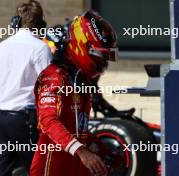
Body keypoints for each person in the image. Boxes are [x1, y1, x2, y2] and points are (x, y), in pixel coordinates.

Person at [30, 10, 118, 176]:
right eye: (101, 55)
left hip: (75, 167)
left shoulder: (80, 79)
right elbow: (47, 121)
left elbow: (77, 129)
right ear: (82, 46)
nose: (103, 61)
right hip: (51, 168)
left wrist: (104, 152)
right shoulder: (54, 76)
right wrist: (82, 152)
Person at [0, 1, 51, 175]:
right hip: (25, 119)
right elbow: (48, 87)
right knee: (38, 169)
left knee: (0, 171)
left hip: (1, 118)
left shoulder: (1, 47)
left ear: (16, 22)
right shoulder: (40, 48)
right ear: (41, 24)